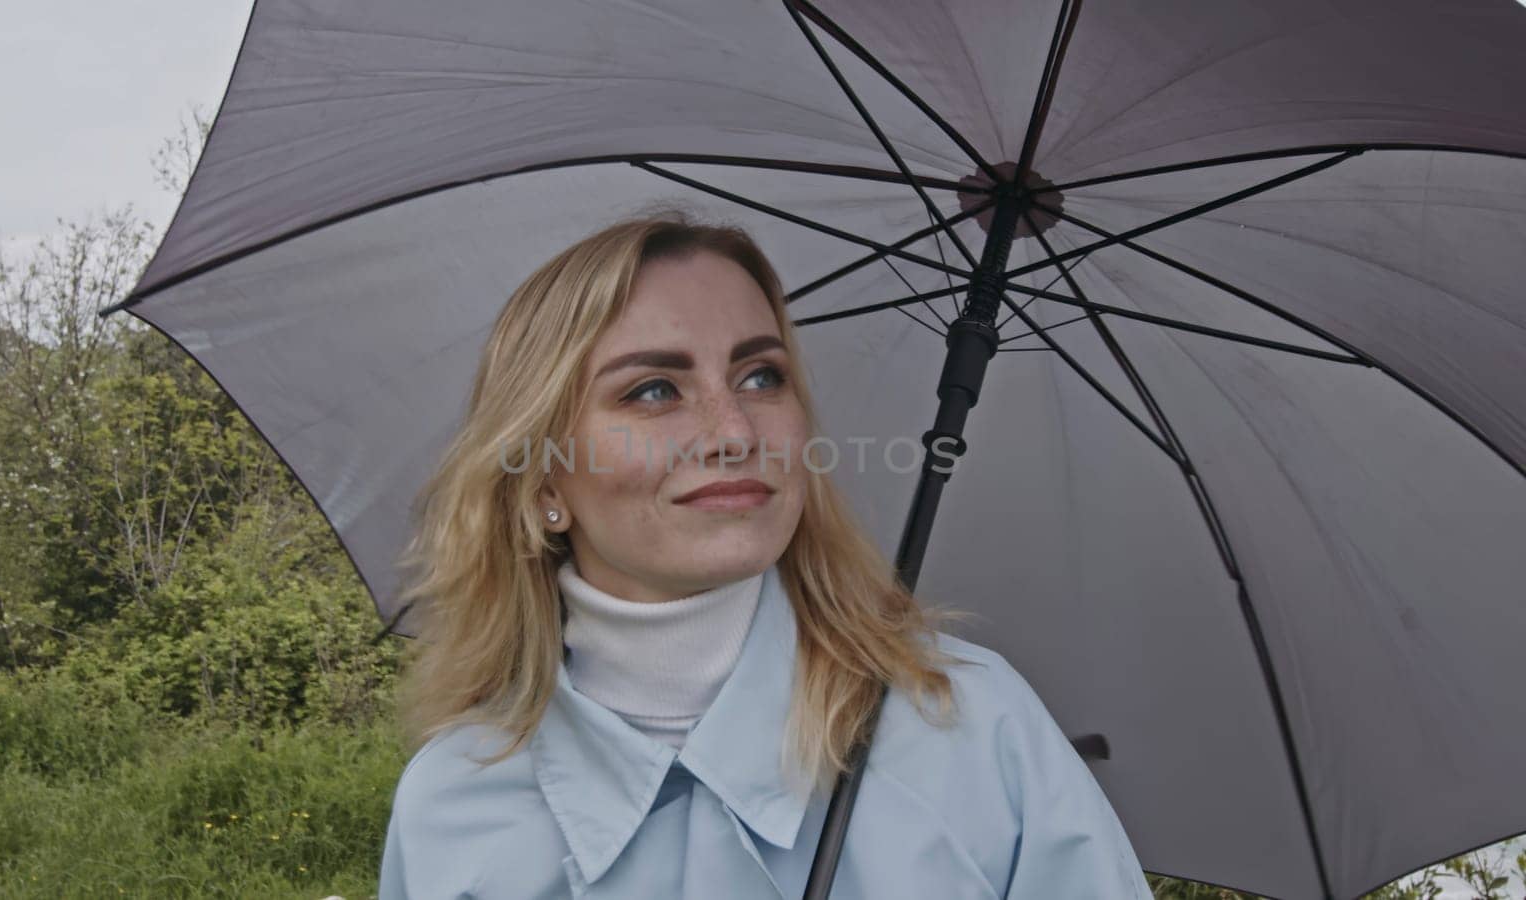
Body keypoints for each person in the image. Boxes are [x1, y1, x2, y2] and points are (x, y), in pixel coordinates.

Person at [376, 210, 1154, 899]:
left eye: (760, 376)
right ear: (543, 478)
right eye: (653, 390)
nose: (736, 433)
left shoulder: (975, 734)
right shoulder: (453, 803)